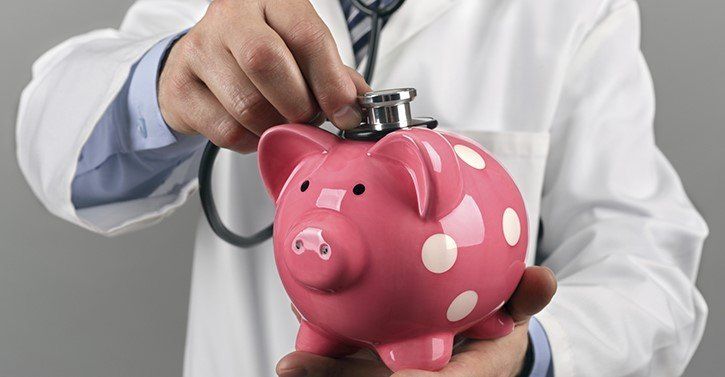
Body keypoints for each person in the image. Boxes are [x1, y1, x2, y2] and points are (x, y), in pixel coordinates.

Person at [15, 0, 708, 376]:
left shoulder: (574, 13)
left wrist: (527, 356)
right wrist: (171, 80)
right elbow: (58, 139)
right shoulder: (220, 6)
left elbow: (648, 272)